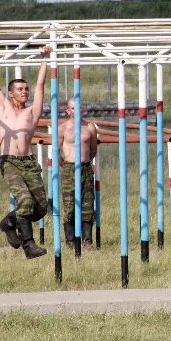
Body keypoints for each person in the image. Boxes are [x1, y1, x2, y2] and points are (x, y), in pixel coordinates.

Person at [0, 39, 50, 259]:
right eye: (20, 89)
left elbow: (40, 85)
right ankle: (29, 245)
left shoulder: (32, 112)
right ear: (11, 93)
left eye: (26, 89)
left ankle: (8, 222)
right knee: (26, 202)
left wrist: (45, 59)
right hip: (10, 161)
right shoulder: (4, 107)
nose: (25, 92)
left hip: (29, 162)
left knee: (40, 208)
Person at [57, 98, 98, 249]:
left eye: (79, 108)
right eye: (73, 108)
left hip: (86, 167)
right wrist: (66, 165)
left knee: (87, 203)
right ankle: (70, 241)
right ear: (68, 111)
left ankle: (87, 240)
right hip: (69, 167)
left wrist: (86, 162)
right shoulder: (63, 128)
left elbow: (93, 149)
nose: (77, 111)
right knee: (69, 204)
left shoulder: (90, 127)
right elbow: (56, 150)